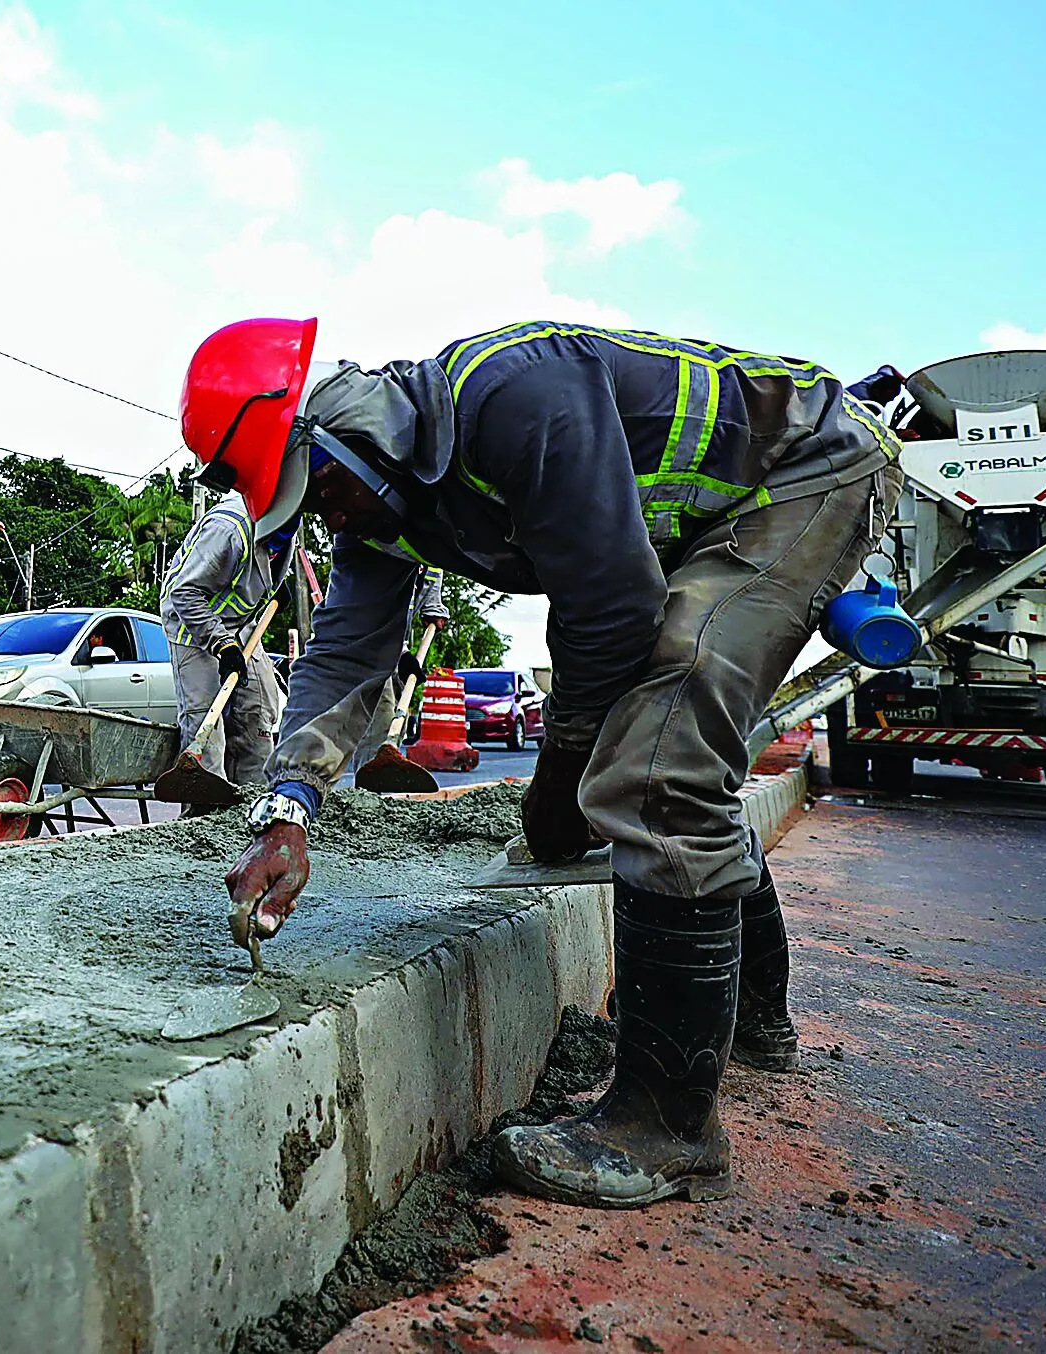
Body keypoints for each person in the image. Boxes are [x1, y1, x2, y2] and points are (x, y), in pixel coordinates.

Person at [182, 317, 900, 1208]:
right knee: (658, 764)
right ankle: (752, 1025)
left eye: (318, 492)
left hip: (807, 474)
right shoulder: (379, 510)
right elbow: (342, 660)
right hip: (708, 520)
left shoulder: (516, 393)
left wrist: (559, 775)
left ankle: (667, 1129)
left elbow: (610, 609)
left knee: (658, 763)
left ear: (349, 436)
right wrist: (284, 812)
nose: (326, 520)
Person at [159, 491, 288, 787]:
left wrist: (272, 584)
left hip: (241, 625)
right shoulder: (227, 530)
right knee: (206, 725)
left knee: (260, 709)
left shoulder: (289, 521)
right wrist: (222, 644)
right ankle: (203, 812)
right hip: (191, 624)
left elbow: (260, 566)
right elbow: (184, 593)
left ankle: (251, 800)